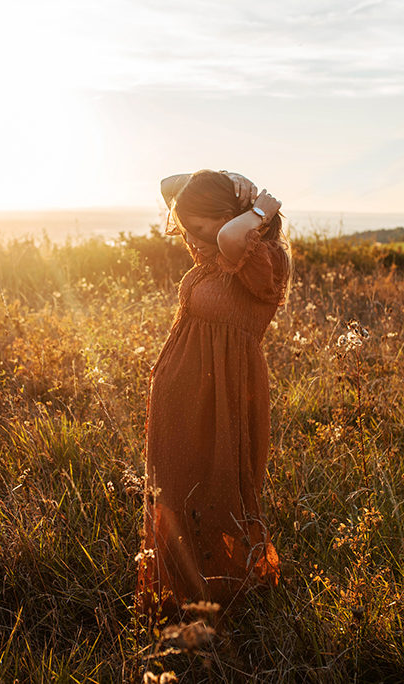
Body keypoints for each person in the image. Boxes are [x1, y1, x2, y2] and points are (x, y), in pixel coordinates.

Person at [135, 169, 291, 619]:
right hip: (180, 398)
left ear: (228, 219)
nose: (192, 241)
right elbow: (170, 185)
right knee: (175, 493)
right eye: (186, 231)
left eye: (199, 229)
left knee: (217, 492)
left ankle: (225, 595)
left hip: (223, 398)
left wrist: (259, 208)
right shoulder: (220, 248)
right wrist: (229, 178)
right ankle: (180, 594)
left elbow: (228, 235)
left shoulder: (261, 259)